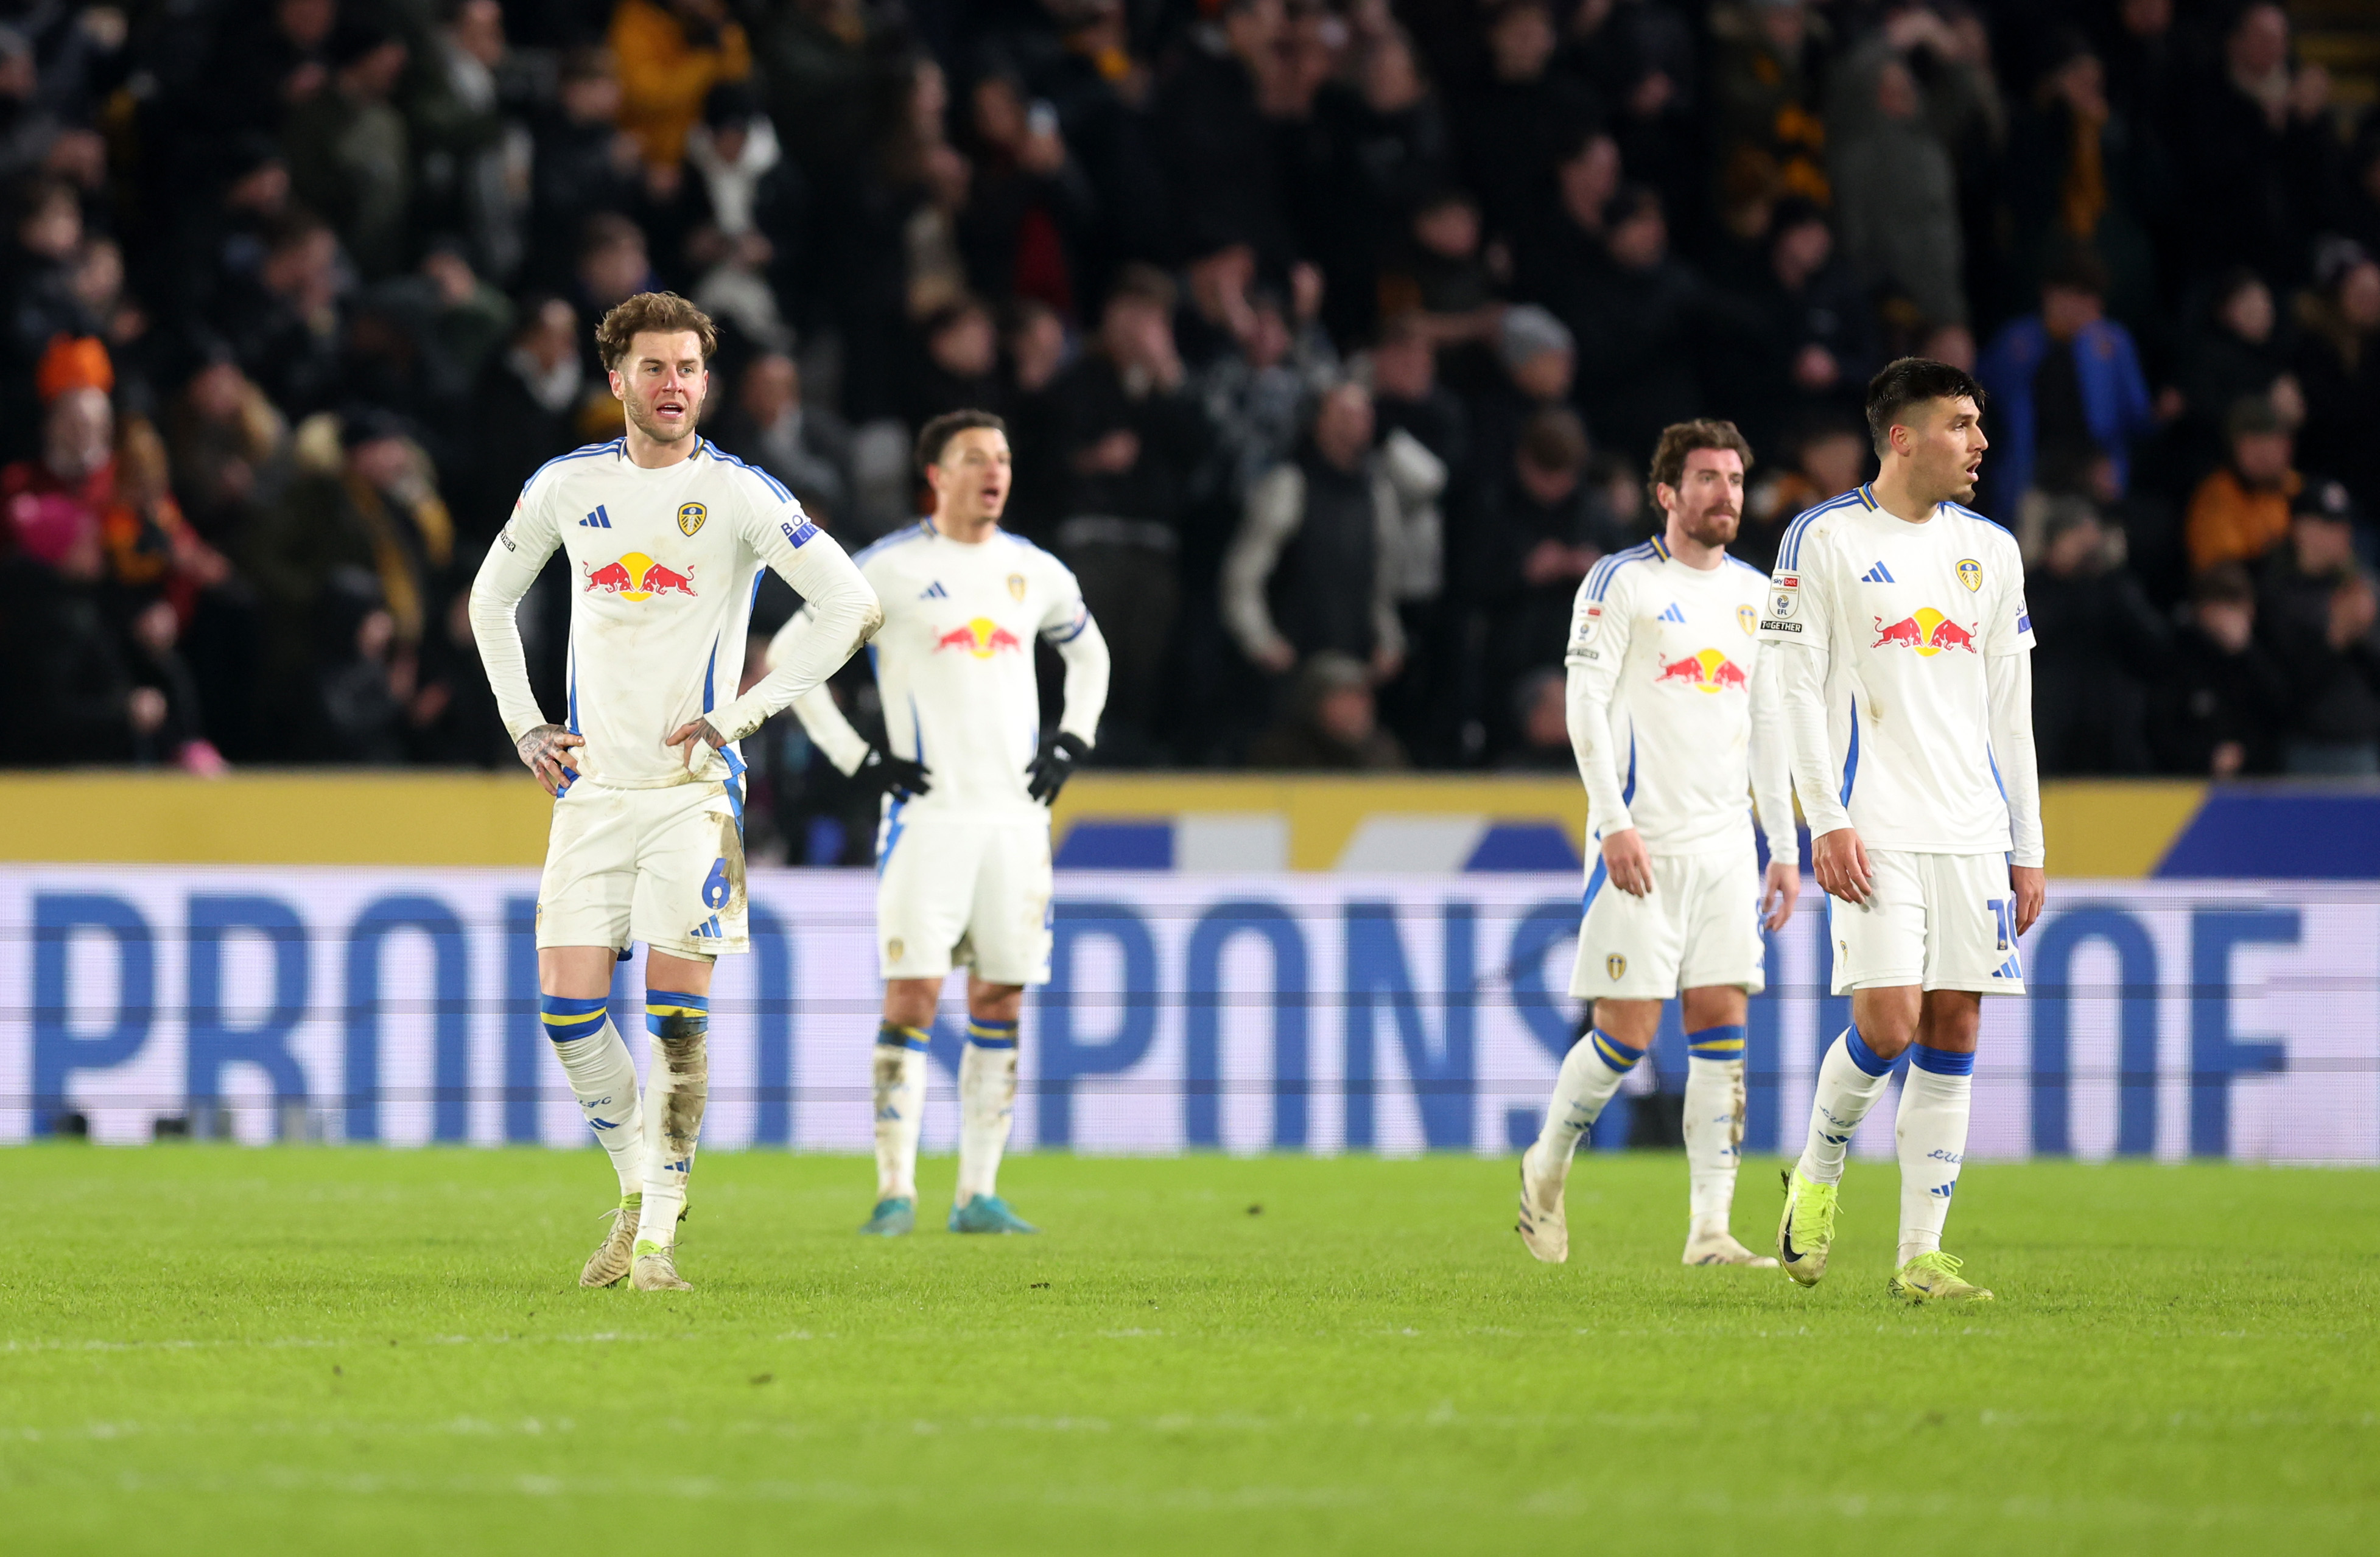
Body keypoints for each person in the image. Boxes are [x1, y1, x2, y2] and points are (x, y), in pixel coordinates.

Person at [466, 292, 880, 1292]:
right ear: (616, 380)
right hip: (590, 789)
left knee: (674, 1018)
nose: (672, 385)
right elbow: (490, 597)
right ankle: (638, 1187)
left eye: (688, 368)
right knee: (567, 1012)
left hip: (694, 793)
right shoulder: (567, 487)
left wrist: (742, 713)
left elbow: (849, 606)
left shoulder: (738, 494)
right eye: (653, 368)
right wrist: (526, 723)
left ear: (706, 380)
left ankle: (655, 1242)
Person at [771, 410, 1109, 1237]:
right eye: (974, 459)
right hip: (927, 818)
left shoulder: (1033, 571)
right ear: (936, 473)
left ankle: (977, 1194)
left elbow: (1088, 654)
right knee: (914, 996)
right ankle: (895, 1191)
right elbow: (789, 655)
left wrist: (1070, 741)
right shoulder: (886, 570)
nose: (993, 472)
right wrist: (860, 759)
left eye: (1001, 457)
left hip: (1015, 822)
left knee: (1000, 995)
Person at [1761, 356, 2042, 1304]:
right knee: (1887, 1022)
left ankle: (1920, 1255)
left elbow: (2013, 710)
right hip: (1872, 821)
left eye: (1977, 422)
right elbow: (1794, 691)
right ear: (1901, 436)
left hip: (1970, 827)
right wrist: (1824, 818)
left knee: (1955, 1022)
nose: (1979, 442)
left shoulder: (1991, 550)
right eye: (1961, 423)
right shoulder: (1823, 538)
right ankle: (1818, 1167)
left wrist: (2026, 845)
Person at [1515, 419, 1800, 1271]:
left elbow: (1767, 724)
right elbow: (1583, 707)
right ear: (1667, 493)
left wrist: (1781, 843)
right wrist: (1611, 822)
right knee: (1624, 1035)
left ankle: (1709, 1228)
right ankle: (1545, 1165)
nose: (1726, 494)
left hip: (1723, 850)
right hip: (1639, 842)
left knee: (1721, 1029)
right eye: (1707, 478)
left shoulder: (1757, 594)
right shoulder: (1622, 582)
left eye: (1736, 479)